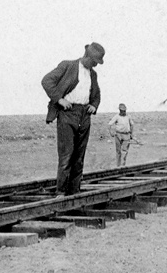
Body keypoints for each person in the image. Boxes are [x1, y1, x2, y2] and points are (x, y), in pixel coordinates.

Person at [41, 42, 104, 196]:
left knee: (79, 157)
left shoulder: (93, 74)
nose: (95, 64)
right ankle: (61, 192)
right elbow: (46, 81)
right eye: (94, 61)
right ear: (87, 56)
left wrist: (94, 105)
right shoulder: (67, 66)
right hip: (67, 113)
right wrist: (59, 99)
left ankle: (74, 192)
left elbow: (96, 95)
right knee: (66, 155)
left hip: (84, 115)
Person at [108, 103, 134, 167]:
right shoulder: (116, 116)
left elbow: (132, 125)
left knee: (124, 151)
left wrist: (131, 133)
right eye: (122, 111)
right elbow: (109, 124)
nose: (124, 112)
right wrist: (111, 132)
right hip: (118, 135)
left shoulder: (128, 116)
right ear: (120, 110)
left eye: (124, 111)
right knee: (118, 151)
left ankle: (122, 165)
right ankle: (118, 166)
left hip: (126, 135)